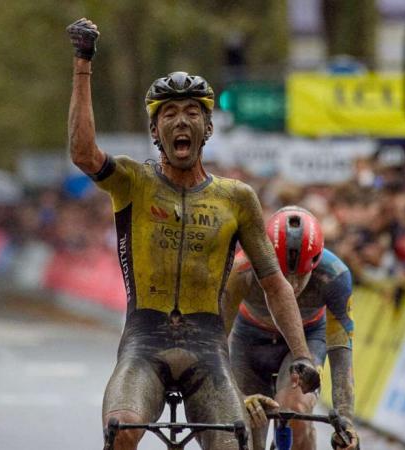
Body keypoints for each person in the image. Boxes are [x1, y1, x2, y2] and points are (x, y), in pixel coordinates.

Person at [66, 18, 320, 450]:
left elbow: (275, 281)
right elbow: (83, 153)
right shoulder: (132, 181)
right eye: (169, 113)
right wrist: (83, 63)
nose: (181, 121)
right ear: (154, 131)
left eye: (192, 113)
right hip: (144, 343)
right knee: (122, 429)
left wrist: (301, 355)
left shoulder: (236, 198)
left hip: (208, 348)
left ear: (208, 128)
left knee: (233, 440)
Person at [225, 206, 359, 450]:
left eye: (301, 276)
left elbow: (340, 350)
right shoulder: (241, 268)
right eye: (283, 275)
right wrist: (237, 395)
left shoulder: (335, 276)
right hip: (249, 341)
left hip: (307, 339)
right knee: (245, 426)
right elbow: (215, 339)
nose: (292, 285)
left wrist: (346, 421)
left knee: (295, 411)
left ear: (316, 265)